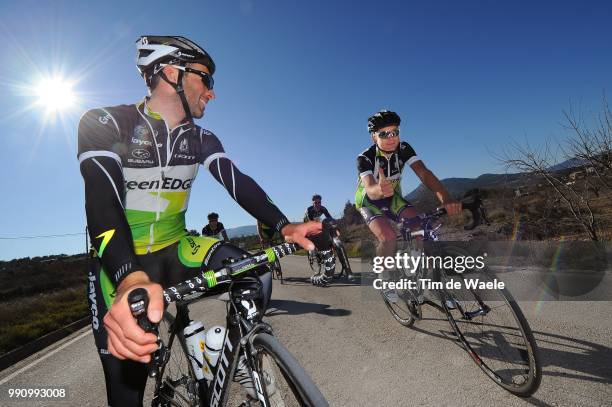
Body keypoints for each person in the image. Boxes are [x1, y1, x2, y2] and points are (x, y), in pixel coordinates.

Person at [77, 35, 320, 406]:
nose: (212, 92)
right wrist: (128, 275)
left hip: (177, 248)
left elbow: (236, 181)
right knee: (126, 392)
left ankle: (235, 355)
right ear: (172, 72)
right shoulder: (106, 122)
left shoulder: (201, 138)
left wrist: (283, 224)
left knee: (256, 273)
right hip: (120, 262)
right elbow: (101, 197)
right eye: (206, 79)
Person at [355, 110, 461, 297]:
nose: (391, 137)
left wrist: (445, 196)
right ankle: (383, 275)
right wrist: (379, 190)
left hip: (392, 197)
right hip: (368, 200)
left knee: (419, 227)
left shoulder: (404, 148)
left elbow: (424, 173)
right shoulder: (365, 157)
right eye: (384, 134)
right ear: (373, 137)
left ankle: (417, 276)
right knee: (388, 237)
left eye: (395, 132)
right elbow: (370, 187)